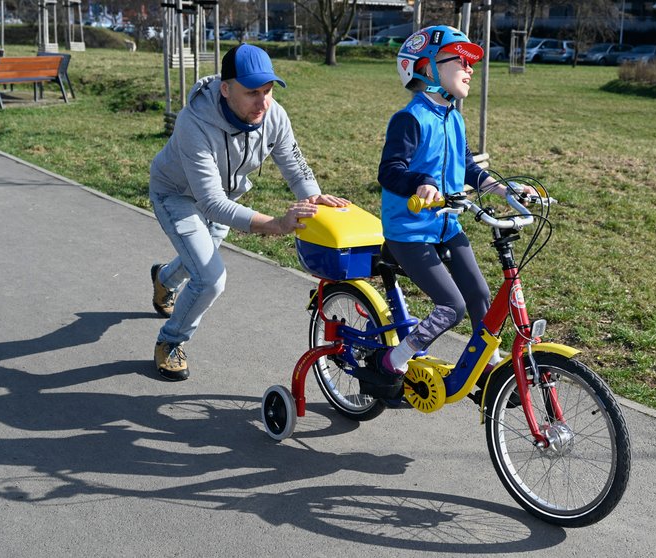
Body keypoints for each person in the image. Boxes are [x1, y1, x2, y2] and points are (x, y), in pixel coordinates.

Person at [149, 44, 348, 381]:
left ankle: (164, 279)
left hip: (225, 195)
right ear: (226, 90)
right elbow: (210, 203)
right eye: (252, 92)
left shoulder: (274, 115)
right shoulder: (193, 123)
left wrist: (313, 197)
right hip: (177, 195)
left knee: (201, 257)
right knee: (210, 278)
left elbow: (294, 164)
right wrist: (274, 224)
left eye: (268, 90)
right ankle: (170, 342)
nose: (263, 102)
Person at [377, 25, 534, 379]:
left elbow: (467, 168)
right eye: (460, 59)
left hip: (447, 224)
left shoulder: (454, 117)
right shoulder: (410, 118)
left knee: (480, 295)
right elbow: (389, 172)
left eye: (470, 62)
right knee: (452, 306)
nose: (470, 68)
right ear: (429, 68)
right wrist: (421, 183)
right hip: (410, 230)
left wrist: (508, 190)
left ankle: (487, 366)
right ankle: (395, 360)